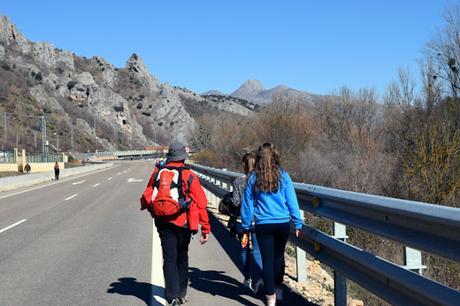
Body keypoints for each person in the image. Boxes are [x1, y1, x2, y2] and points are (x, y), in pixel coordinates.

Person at [142, 142, 211, 306]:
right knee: (182, 256)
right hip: (183, 223)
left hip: (163, 222)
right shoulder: (188, 175)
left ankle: (172, 296)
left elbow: (148, 194)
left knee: (169, 258)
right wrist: (205, 228)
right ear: (183, 158)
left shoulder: (159, 172)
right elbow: (201, 202)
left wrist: (150, 209)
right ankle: (181, 292)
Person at [241, 143, 303, 306]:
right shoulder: (283, 176)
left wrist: (246, 227)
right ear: (275, 157)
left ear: (259, 159)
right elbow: (292, 201)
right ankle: (279, 291)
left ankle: (270, 299)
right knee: (279, 257)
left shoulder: (253, 178)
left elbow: (247, 205)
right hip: (282, 223)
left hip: (263, 224)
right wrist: (297, 223)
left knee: (267, 261)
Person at [228, 152, 263, 292]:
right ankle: (259, 279)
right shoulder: (261, 181)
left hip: (241, 221)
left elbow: (236, 202)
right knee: (258, 251)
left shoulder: (238, 181)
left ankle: (247, 278)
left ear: (244, 165)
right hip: (258, 221)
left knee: (244, 249)